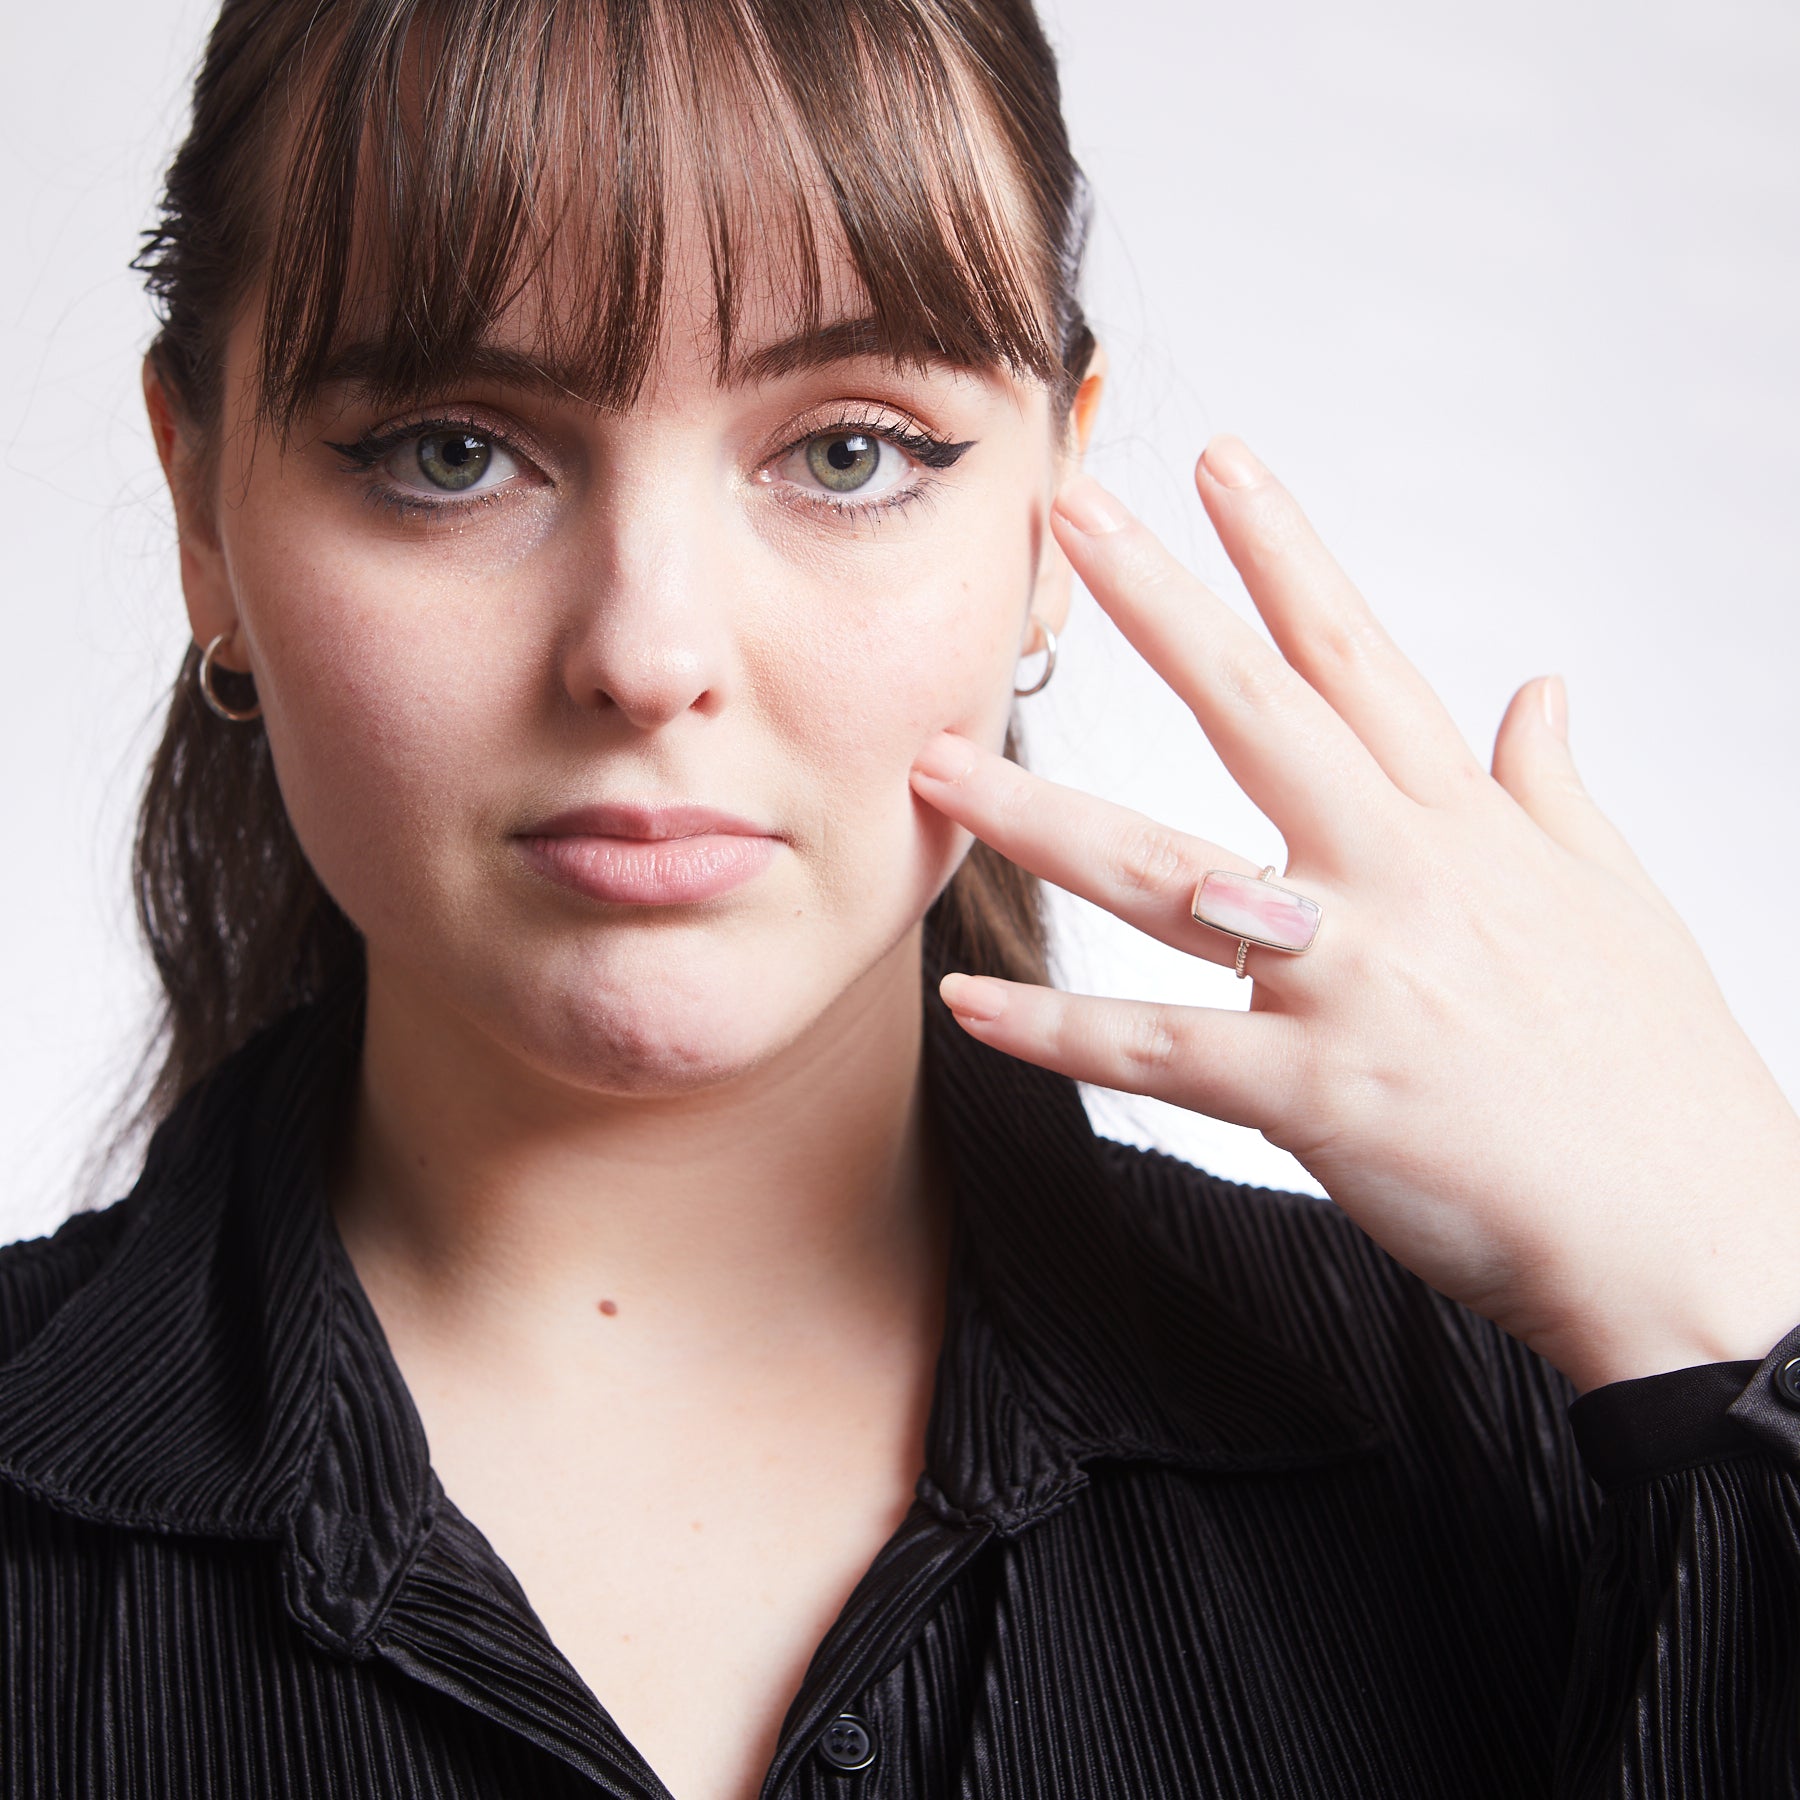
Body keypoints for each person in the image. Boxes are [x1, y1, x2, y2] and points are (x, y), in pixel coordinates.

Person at [2, 0, 1797, 1793]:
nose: (650, 652)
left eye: (849, 450)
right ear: (199, 504)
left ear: (1050, 505)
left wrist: (1749, 1307)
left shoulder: (1541, 1446)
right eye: (449, 450)